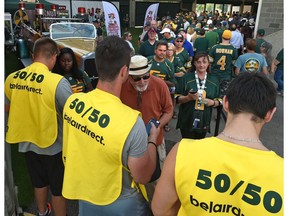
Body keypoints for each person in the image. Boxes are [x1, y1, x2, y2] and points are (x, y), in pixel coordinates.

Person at [152, 72, 283, 215]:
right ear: (270, 114)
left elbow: (160, 210)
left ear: (226, 103)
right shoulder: (282, 172)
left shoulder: (182, 152)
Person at [61, 36, 160, 216]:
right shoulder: (131, 121)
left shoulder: (73, 102)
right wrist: (152, 140)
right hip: (120, 201)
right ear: (124, 71)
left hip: (84, 192)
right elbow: (143, 176)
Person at [5, 37, 72, 216]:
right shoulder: (57, 82)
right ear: (54, 57)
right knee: (58, 190)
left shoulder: (12, 78)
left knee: (39, 182)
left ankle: (42, 212)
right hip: (53, 146)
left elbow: (7, 107)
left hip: (26, 142)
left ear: (34, 55)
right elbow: (71, 113)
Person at [120, 55, 173, 206]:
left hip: (155, 141)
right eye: (137, 79)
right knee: (129, 178)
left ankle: (157, 208)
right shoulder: (121, 86)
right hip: (128, 143)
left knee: (155, 179)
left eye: (145, 76)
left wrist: (156, 128)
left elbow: (168, 111)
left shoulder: (160, 85)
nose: (142, 81)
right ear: (128, 77)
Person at [175, 52, 220, 139]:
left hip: (204, 119)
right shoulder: (186, 78)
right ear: (194, 63)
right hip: (187, 118)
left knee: (199, 146)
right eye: (198, 62)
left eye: (204, 62)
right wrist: (188, 98)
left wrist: (213, 103)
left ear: (208, 64)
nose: (201, 65)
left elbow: (220, 100)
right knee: (187, 145)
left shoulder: (214, 81)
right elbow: (177, 98)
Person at [147, 40, 177, 132]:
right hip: (148, 91)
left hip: (162, 93)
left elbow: (172, 82)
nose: (162, 53)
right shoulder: (148, 60)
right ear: (155, 50)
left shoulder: (169, 64)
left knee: (163, 110)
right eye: (160, 50)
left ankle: (164, 124)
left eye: (164, 51)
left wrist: (160, 81)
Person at [208, 30, 238, 96]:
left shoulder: (214, 48)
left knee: (213, 94)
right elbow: (234, 64)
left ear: (222, 36)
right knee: (223, 97)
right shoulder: (234, 49)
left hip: (214, 75)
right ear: (230, 38)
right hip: (226, 76)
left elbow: (209, 63)